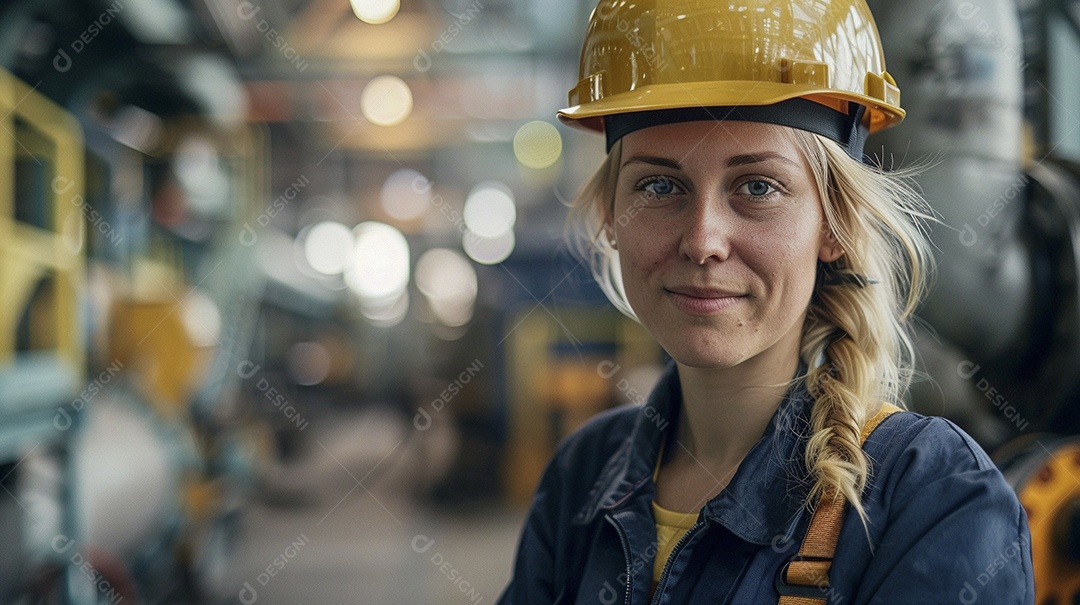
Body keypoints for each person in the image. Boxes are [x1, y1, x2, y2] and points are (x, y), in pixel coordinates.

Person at [496, 0, 1035, 603]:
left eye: (757, 186)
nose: (703, 240)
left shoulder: (933, 496)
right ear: (610, 217)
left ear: (835, 225)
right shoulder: (582, 476)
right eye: (659, 185)